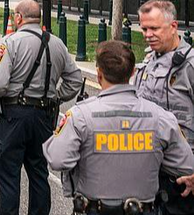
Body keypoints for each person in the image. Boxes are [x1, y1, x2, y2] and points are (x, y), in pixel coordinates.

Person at [45, 40, 194, 215]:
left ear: (99, 75)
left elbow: (57, 159)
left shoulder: (79, 116)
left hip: (94, 209)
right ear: (132, 72)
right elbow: (186, 165)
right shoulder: (162, 118)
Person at [0, 0, 83, 215]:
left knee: (8, 174)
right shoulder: (57, 44)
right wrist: (55, 97)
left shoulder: (9, 43)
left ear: (18, 17)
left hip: (13, 115)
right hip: (44, 115)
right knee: (38, 172)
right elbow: (74, 80)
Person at [134, 0, 194, 213]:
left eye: (154, 28)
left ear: (173, 26)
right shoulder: (150, 61)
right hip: (150, 175)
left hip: (183, 180)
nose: (148, 34)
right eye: (144, 29)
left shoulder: (189, 66)